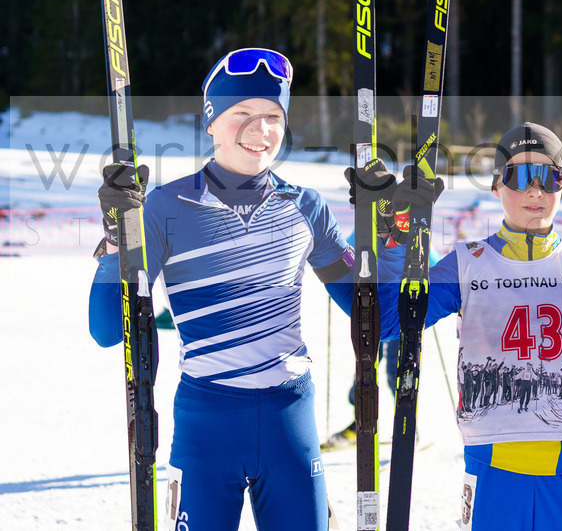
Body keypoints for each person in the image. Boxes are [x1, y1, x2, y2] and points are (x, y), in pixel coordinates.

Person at [88, 48, 419, 530]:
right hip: (207, 423)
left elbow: (380, 324)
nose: (259, 130)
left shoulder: (306, 207)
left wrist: (395, 235)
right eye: (241, 113)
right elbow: (105, 329)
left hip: (291, 420)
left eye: (272, 115)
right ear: (211, 122)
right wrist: (121, 237)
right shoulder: (164, 208)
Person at [360, 122, 562, 530]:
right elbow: (389, 324)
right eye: (520, 175)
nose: (536, 191)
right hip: (492, 461)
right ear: (497, 185)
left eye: (550, 177)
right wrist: (396, 240)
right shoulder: (465, 264)